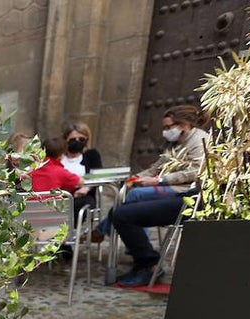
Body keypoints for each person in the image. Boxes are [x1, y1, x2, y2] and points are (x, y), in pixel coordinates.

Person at [93, 105, 210, 287]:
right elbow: (157, 166)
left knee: (136, 196)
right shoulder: (173, 144)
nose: (166, 131)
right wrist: (135, 178)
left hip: (184, 192)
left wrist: (161, 180)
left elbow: (197, 171)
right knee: (130, 198)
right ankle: (130, 245)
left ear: (183, 124)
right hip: (170, 190)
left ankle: (107, 232)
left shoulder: (200, 140)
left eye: (169, 126)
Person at [61, 121, 103, 220]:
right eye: (72, 139)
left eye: (81, 139)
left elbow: (96, 175)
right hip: (60, 194)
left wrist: (86, 188)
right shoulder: (59, 156)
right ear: (65, 140)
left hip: (82, 195)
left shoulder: (91, 155)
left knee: (81, 204)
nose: (77, 142)